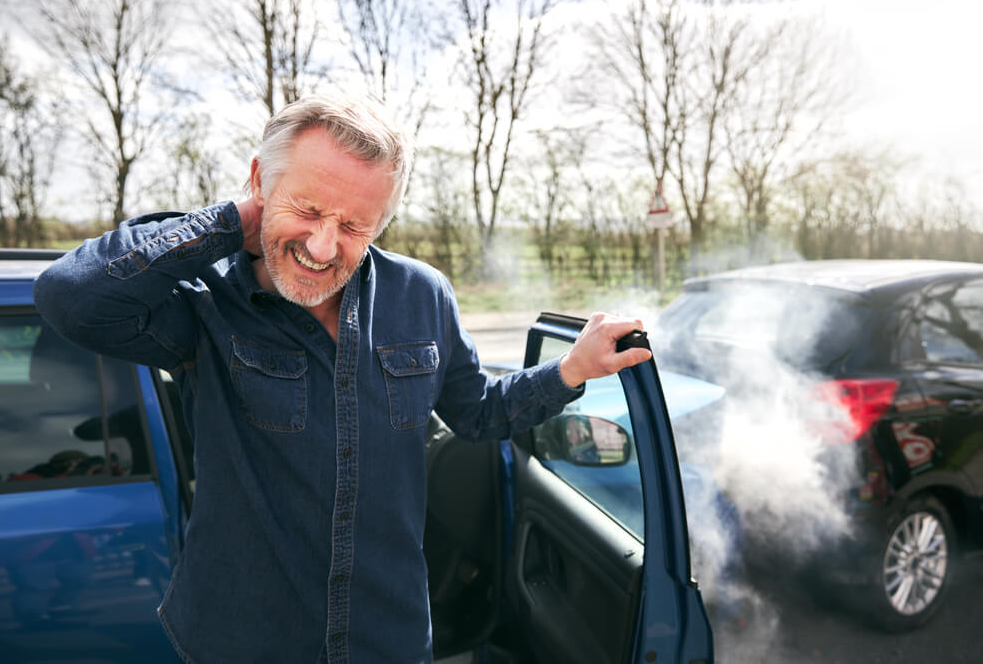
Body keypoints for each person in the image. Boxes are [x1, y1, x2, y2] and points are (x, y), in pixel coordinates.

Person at [34, 92, 651, 663]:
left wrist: (572, 368)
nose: (324, 247)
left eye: (355, 225)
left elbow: (477, 411)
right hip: (244, 643)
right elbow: (71, 298)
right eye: (306, 208)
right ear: (257, 181)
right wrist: (230, 224)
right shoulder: (206, 300)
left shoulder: (422, 293)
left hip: (389, 639)